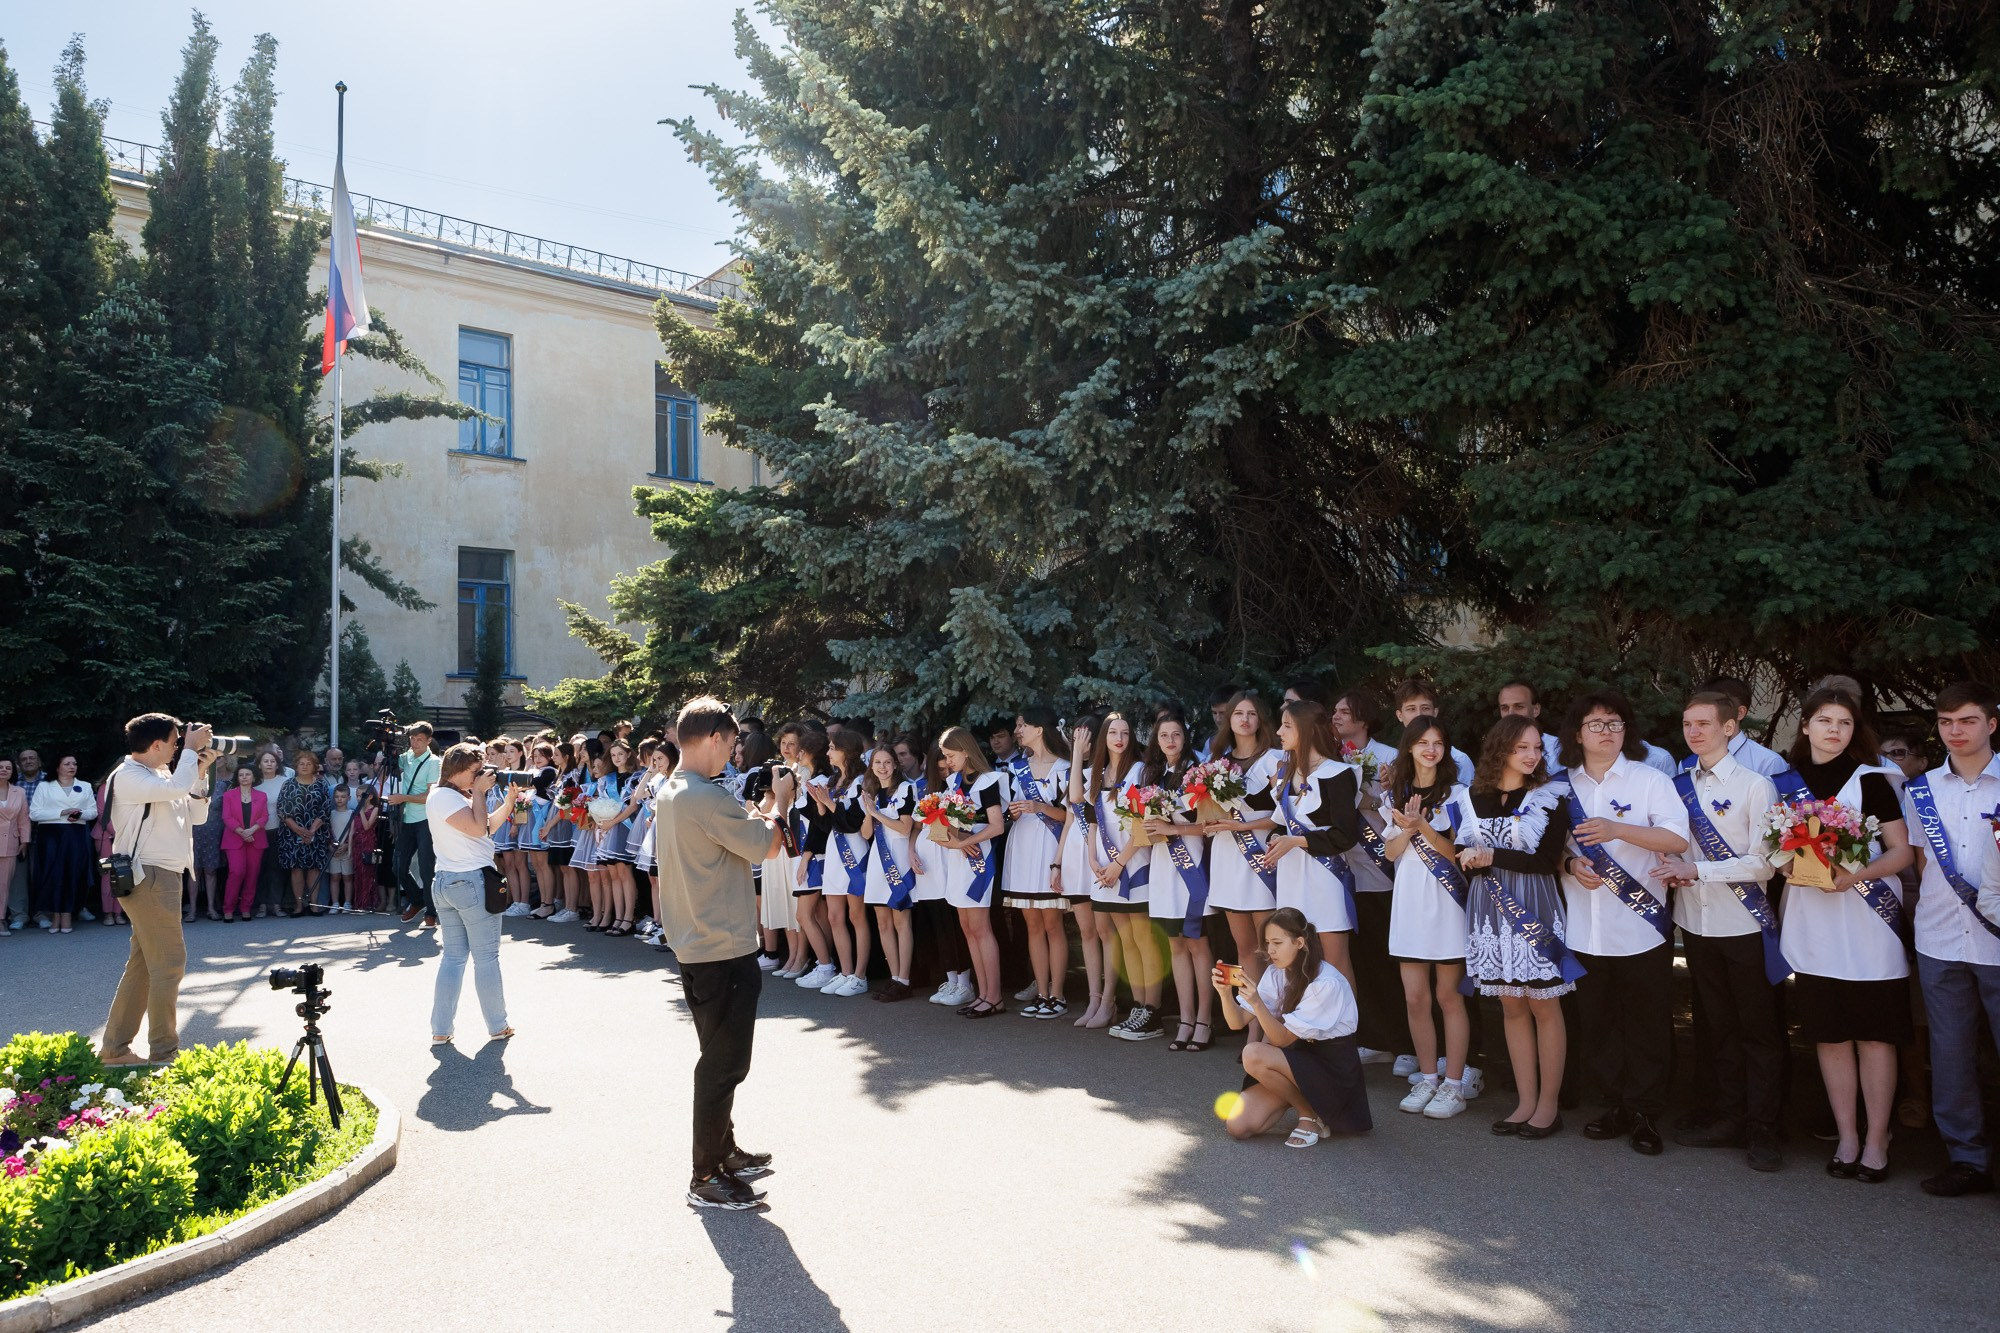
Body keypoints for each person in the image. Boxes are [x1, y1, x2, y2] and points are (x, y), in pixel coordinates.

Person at [652, 697, 787, 1210]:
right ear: (711, 738)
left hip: (697, 941)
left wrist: (752, 816)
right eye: (731, 743)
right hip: (722, 945)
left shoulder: (675, 789)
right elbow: (767, 846)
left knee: (718, 1057)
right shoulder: (705, 796)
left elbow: (734, 837)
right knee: (724, 1065)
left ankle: (723, 1151)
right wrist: (779, 804)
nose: (734, 753)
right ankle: (704, 1174)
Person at [1778, 688, 1913, 1183]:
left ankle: (1877, 1138)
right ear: (1807, 725)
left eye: (1846, 723)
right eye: (1825, 720)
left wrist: (1855, 875)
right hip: (1813, 921)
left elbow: (1902, 853)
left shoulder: (1873, 780)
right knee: (1830, 1035)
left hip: (1868, 922)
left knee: (1876, 1035)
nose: (1835, 730)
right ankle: (1847, 1136)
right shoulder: (1784, 783)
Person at [1651, 692, 1785, 1171]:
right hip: (1696, 923)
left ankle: (1764, 1128)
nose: (1694, 731)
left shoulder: (1756, 785)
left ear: (1730, 728)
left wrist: (1695, 871)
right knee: (1719, 1029)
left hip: (1743, 924)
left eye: (1704, 723)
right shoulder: (1675, 785)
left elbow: (1765, 864)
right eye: (1688, 723)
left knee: (1758, 1030)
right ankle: (1730, 1117)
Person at [1558, 689, 1689, 1157]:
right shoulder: (1559, 785)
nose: (1607, 732)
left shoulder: (1649, 780)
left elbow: (1676, 838)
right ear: (1578, 734)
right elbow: (1548, 851)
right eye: (1596, 725)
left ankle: (1647, 1112)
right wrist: (1570, 867)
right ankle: (1613, 1103)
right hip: (1585, 927)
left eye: (1615, 723)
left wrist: (1616, 830)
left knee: (1647, 1022)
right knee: (1599, 1022)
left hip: (1641, 925)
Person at [1903, 682, 2000, 1198]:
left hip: (1998, 942)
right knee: (1950, 1054)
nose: (1955, 732)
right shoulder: (1922, 790)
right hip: (1940, 938)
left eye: (1966, 720)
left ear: (1991, 723)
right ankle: (1966, 1160)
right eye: (1945, 723)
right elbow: (1921, 862)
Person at [1459, 716, 1575, 1138]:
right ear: (1501, 750)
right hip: (1488, 905)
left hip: (1534, 904)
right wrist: (1468, 857)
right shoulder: (1474, 796)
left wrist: (1489, 856)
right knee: (1510, 1004)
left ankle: (1548, 1105)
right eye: (1522, 748)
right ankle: (1525, 1101)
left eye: (1537, 749)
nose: (1532, 756)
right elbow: (1461, 848)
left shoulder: (1551, 794)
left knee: (1544, 1003)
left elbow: (1545, 862)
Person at [98, 715, 215, 1066]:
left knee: (145, 965)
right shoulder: (129, 775)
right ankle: (164, 1054)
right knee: (169, 964)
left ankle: (115, 1049)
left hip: (161, 874)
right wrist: (192, 755)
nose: (180, 747)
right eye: (177, 742)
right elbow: (178, 790)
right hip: (146, 874)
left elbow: (196, 817)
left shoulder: (163, 776)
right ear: (156, 745)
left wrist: (201, 774)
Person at [1380, 717, 1473, 1119]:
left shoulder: (1460, 794)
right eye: (1422, 742)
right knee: (1415, 997)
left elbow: (1459, 854)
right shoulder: (1395, 793)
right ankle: (1428, 1078)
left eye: (1438, 742)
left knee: (1448, 996)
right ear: (1409, 748)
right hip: (1409, 903)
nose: (1430, 749)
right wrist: (1407, 828)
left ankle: (1454, 1084)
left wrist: (1422, 827)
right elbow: (1390, 853)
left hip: (1447, 903)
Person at [1215, 907, 1371, 1146]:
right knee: (1238, 1126)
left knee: (1253, 1053)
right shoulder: (1276, 974)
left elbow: (1282, 1040)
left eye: (1277, 942)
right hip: (1295, 1062)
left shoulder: (1325, 982)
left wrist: (1257, 1002)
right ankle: (1305, 1105)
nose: (1271, 950)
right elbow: (1236, 1023)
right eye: (1267, 943)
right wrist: (1225, 994)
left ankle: (1308, 1113)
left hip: (1331, 1069)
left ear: (1300, 942)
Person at [1245, 700, 1360, 996]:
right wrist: (1277, 841)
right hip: (1292, 876)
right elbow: (1283, 824)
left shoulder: (1338, 774)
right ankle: (1301, 1033)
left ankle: (1344, 1037)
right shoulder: (1286, 775)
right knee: (1294, 961)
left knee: (1334, 962)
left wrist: (1295, 841)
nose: (1280, 732)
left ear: (1307, 730)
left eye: (1287, 726)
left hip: (1325, 876)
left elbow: (1346, 835)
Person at [426, 741, 515, 1048]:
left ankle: (440, 1029)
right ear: (458, 770)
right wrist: (479, 792)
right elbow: (478, 830)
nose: (481, 775)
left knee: (453, 957)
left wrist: (511, 800)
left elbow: (486, 826)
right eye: (476, 771)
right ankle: (498, 1025)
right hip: (471, 881)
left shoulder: (448, 796)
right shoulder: (445, 796)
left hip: (449, 882)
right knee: (486, 957)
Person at [1143, 714, 1216, 1051]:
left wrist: (1172, 829)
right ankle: (1185, 1019)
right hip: (1162, 867)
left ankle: (1205, 1019)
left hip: (1192, 865)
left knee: (1197, 944)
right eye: (1163, 736)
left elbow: (1211, 824)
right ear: (1156, 741)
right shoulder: (1153, 775)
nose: (1170, 741)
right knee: (1175, 944)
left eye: (1176, 735)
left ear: (1185, 738)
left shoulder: (1197, 774)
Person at [1001, 707, 1073, 1018]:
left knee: (1052, 923)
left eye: (1022, 725)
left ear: (1039, 729)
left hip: (1049, 847)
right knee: (1031, 924)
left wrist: (1039, 805)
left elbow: (1071, 816)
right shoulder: (1016, 769)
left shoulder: (1065, 768)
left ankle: (1058, 995)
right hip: (1023, 845)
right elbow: (1006, 812)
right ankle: (1041, 992)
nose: (1018, 730)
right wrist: (1014, 812)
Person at [937, 725, 1011, 1017]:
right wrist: (954, 839)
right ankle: (982, 994)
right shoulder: (954, 781)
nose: (947, 761)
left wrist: (966, 840)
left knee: (981, 928)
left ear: (966, 751)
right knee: (968, 928)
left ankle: (995, 996)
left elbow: (996, 825)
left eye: (951, 755)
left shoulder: (988, 781)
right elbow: (944, 821)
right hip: (959, 857)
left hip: (980, 860)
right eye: (944, 756)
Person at [30, 755, 96, 933]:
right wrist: (62, 812)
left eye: (74, 763)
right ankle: (55, 915)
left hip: (75, 835)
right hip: (50, 835)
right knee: (52, 874)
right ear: (57, 767)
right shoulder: (44, 786)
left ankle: (67, 914)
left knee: (72, 873)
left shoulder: (85, 786)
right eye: (66, 763)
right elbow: (34, 814)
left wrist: (79, 814)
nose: (71, 766)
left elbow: (93, 812)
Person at [388, 722, 441, 926]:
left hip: (426, 819)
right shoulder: (407, 757)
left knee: (427, 869)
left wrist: (403, 798)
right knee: (398, 866)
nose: (415, 742)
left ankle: (431, 911)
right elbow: (386, 764)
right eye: (412, 738)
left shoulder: (434, 762)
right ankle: (417, 900)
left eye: (419, 739)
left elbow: (430, 795)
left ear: (428, 741)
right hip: (407, 819)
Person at [276, 750, 332, 916]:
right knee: (297, 869)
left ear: (314, 766)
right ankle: (299, 905)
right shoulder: (288, 784)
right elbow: (282, 810)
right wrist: (300, 831)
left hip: (316, 833)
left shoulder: (321, 784)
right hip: (292, 834)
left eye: (309, 764)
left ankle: (314, 905)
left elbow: (325, 809)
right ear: (296, 766)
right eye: (302, 764)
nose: (305, 766)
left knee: (314, 868)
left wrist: (311, 831)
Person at [1390, 678, 1475, 785]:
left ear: (1435, 712)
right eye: (1411, 709)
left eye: (1425, 708)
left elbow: (1465, 799)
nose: (1419, 715)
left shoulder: (1459, 760)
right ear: (1400, 715)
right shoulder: (1397, 760)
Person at [220, 763, 268, 922]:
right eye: (241, 775)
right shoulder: (229, 795)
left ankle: (246, 908)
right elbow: (227, 817)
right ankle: (228, 908)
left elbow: (264, 817)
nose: (244, 777)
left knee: (252, 875)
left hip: (255, 838)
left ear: (254, 777)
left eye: (248, 774)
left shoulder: (261, 795)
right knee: (237, 872)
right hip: (235, 839)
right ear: (237, 777)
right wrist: (242, 832)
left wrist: (251, 830)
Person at [0, 758, 27, 938]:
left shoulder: (20, 792)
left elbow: (23, 819)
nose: (4, 770)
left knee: (4, 885)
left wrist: (24, 841)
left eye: (8, 768)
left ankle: (1, 919)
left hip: (10, 843)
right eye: (0, 767)